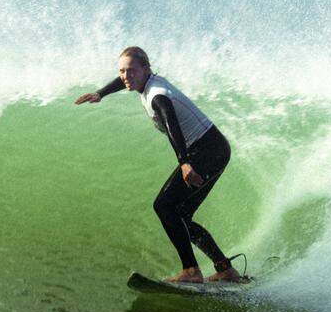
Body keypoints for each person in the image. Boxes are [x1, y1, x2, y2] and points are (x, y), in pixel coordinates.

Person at [75, 46, 245, 284]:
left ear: (146, 69)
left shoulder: (157, 95)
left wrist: (185, 164)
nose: (126, 76)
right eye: (122, 71)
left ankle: (191, 271)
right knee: (182, 215)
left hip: (207, 151)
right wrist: (101, 93)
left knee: (164, 205)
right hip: (212, 148)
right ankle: (225, 269)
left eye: (131, 71)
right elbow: (125, 81)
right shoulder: (144, 81)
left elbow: (171, 123)